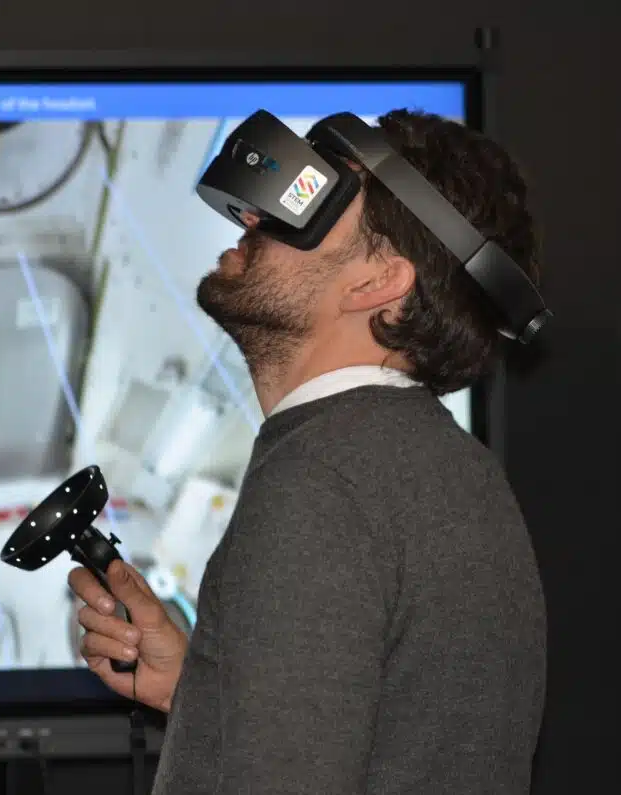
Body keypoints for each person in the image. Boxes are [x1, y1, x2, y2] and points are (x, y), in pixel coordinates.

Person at [68, 110, 547, 794]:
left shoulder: (320, 482)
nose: (255, 218)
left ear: (377, 282)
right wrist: (200, 690)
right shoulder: (455, 471)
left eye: (316, 203)